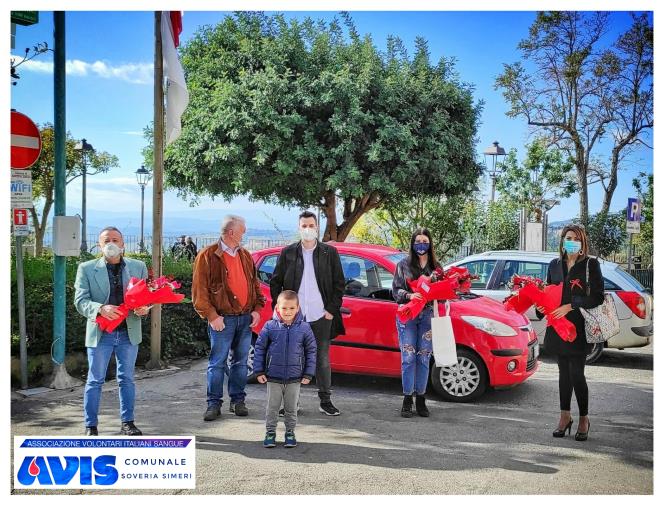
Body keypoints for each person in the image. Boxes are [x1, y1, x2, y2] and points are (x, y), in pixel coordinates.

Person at [74, 226, 150, 436]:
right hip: (101, 332)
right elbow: (80, 301)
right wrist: (100, 308)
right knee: (95, 379)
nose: (111, 244)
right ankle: (91, 426)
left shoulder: (138, 266)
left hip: (128, 331)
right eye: (107, 240)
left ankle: (128, 422)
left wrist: (144, 309)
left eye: (116, 240)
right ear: (99, 245)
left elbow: (144, 299)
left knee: (126, 378)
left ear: (123, 244)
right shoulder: (86, 268)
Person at [269, 210, 345, 416]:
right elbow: (275, 282)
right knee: (294, 359)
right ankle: (293, 403)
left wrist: (330, 310)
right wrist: (281, 309)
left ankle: (325, 401)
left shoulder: (329, 253)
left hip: (321, 316)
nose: (308, 229)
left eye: (311, 225)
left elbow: (339, 284)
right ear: (299, 228)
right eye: (304, 226)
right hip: (295, 318)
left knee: (322, 360)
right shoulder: (288, 253)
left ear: (317, 227)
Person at [192, 215, 266, 421]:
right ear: (231, 232)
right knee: (217, 364)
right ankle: (213, 404)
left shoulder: (244, 255)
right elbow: (199, 292)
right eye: (243, 230)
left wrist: (257, 310)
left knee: (241, 363)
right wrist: (212, 316)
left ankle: (238, 401)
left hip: (244, 319)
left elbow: (255, 286)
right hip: (221, 320)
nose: (245, 233)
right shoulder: (207, 255)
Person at [539, 224, 604, 441]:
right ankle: (564, 416)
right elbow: (549, 292)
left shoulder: (590, 264)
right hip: (558, 327)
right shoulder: (554, 265)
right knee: (563, 374)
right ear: (562, 240)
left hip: (578, 328)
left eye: (576, 238)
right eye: (568, 237)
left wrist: (571, 305)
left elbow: (598, 297)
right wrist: (541, 308)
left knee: (577, 374)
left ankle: (584, 418)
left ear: (582, 241)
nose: (572, 241)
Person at [254, 290, 317, 448]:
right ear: (277, 308)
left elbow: (311, 351)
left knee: (291, 408)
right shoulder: (269, 326)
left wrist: (308, 373)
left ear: (298, 308)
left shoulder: (304, 328)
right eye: (284, 308)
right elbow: (260, 348)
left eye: (291, 308)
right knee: (272, 408)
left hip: (295, 378)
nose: (287, 312)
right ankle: (270, 433)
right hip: (273, 377)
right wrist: (259, 371)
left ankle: (290, 432)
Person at [392, 228, 442, 418]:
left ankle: (421, 398)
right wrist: (411, 295)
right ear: (413, 244)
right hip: (408, 316)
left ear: (430, 243)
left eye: (424, 241)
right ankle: (407, 398)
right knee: (408, 358)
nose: (421, 244)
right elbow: (395, 292)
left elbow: (442, 293)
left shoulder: (436, 268)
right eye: (418, 241)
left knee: (423, 357)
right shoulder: (403, 265)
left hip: (428, 316)